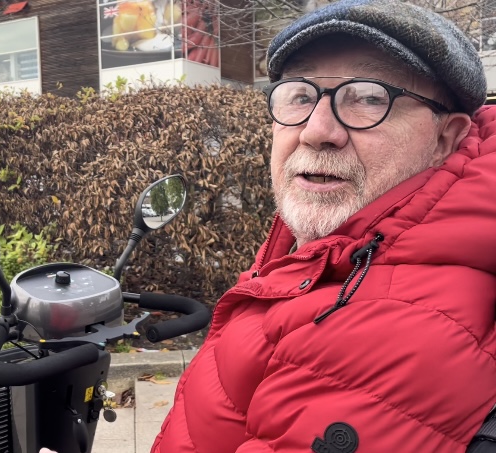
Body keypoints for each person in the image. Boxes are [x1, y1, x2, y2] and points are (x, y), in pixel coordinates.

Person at [150, 0, 496, 452]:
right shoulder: (332, 255)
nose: (316, 130)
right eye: (300, 95)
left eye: (370, 97)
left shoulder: (388, 323)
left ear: (445, 138)